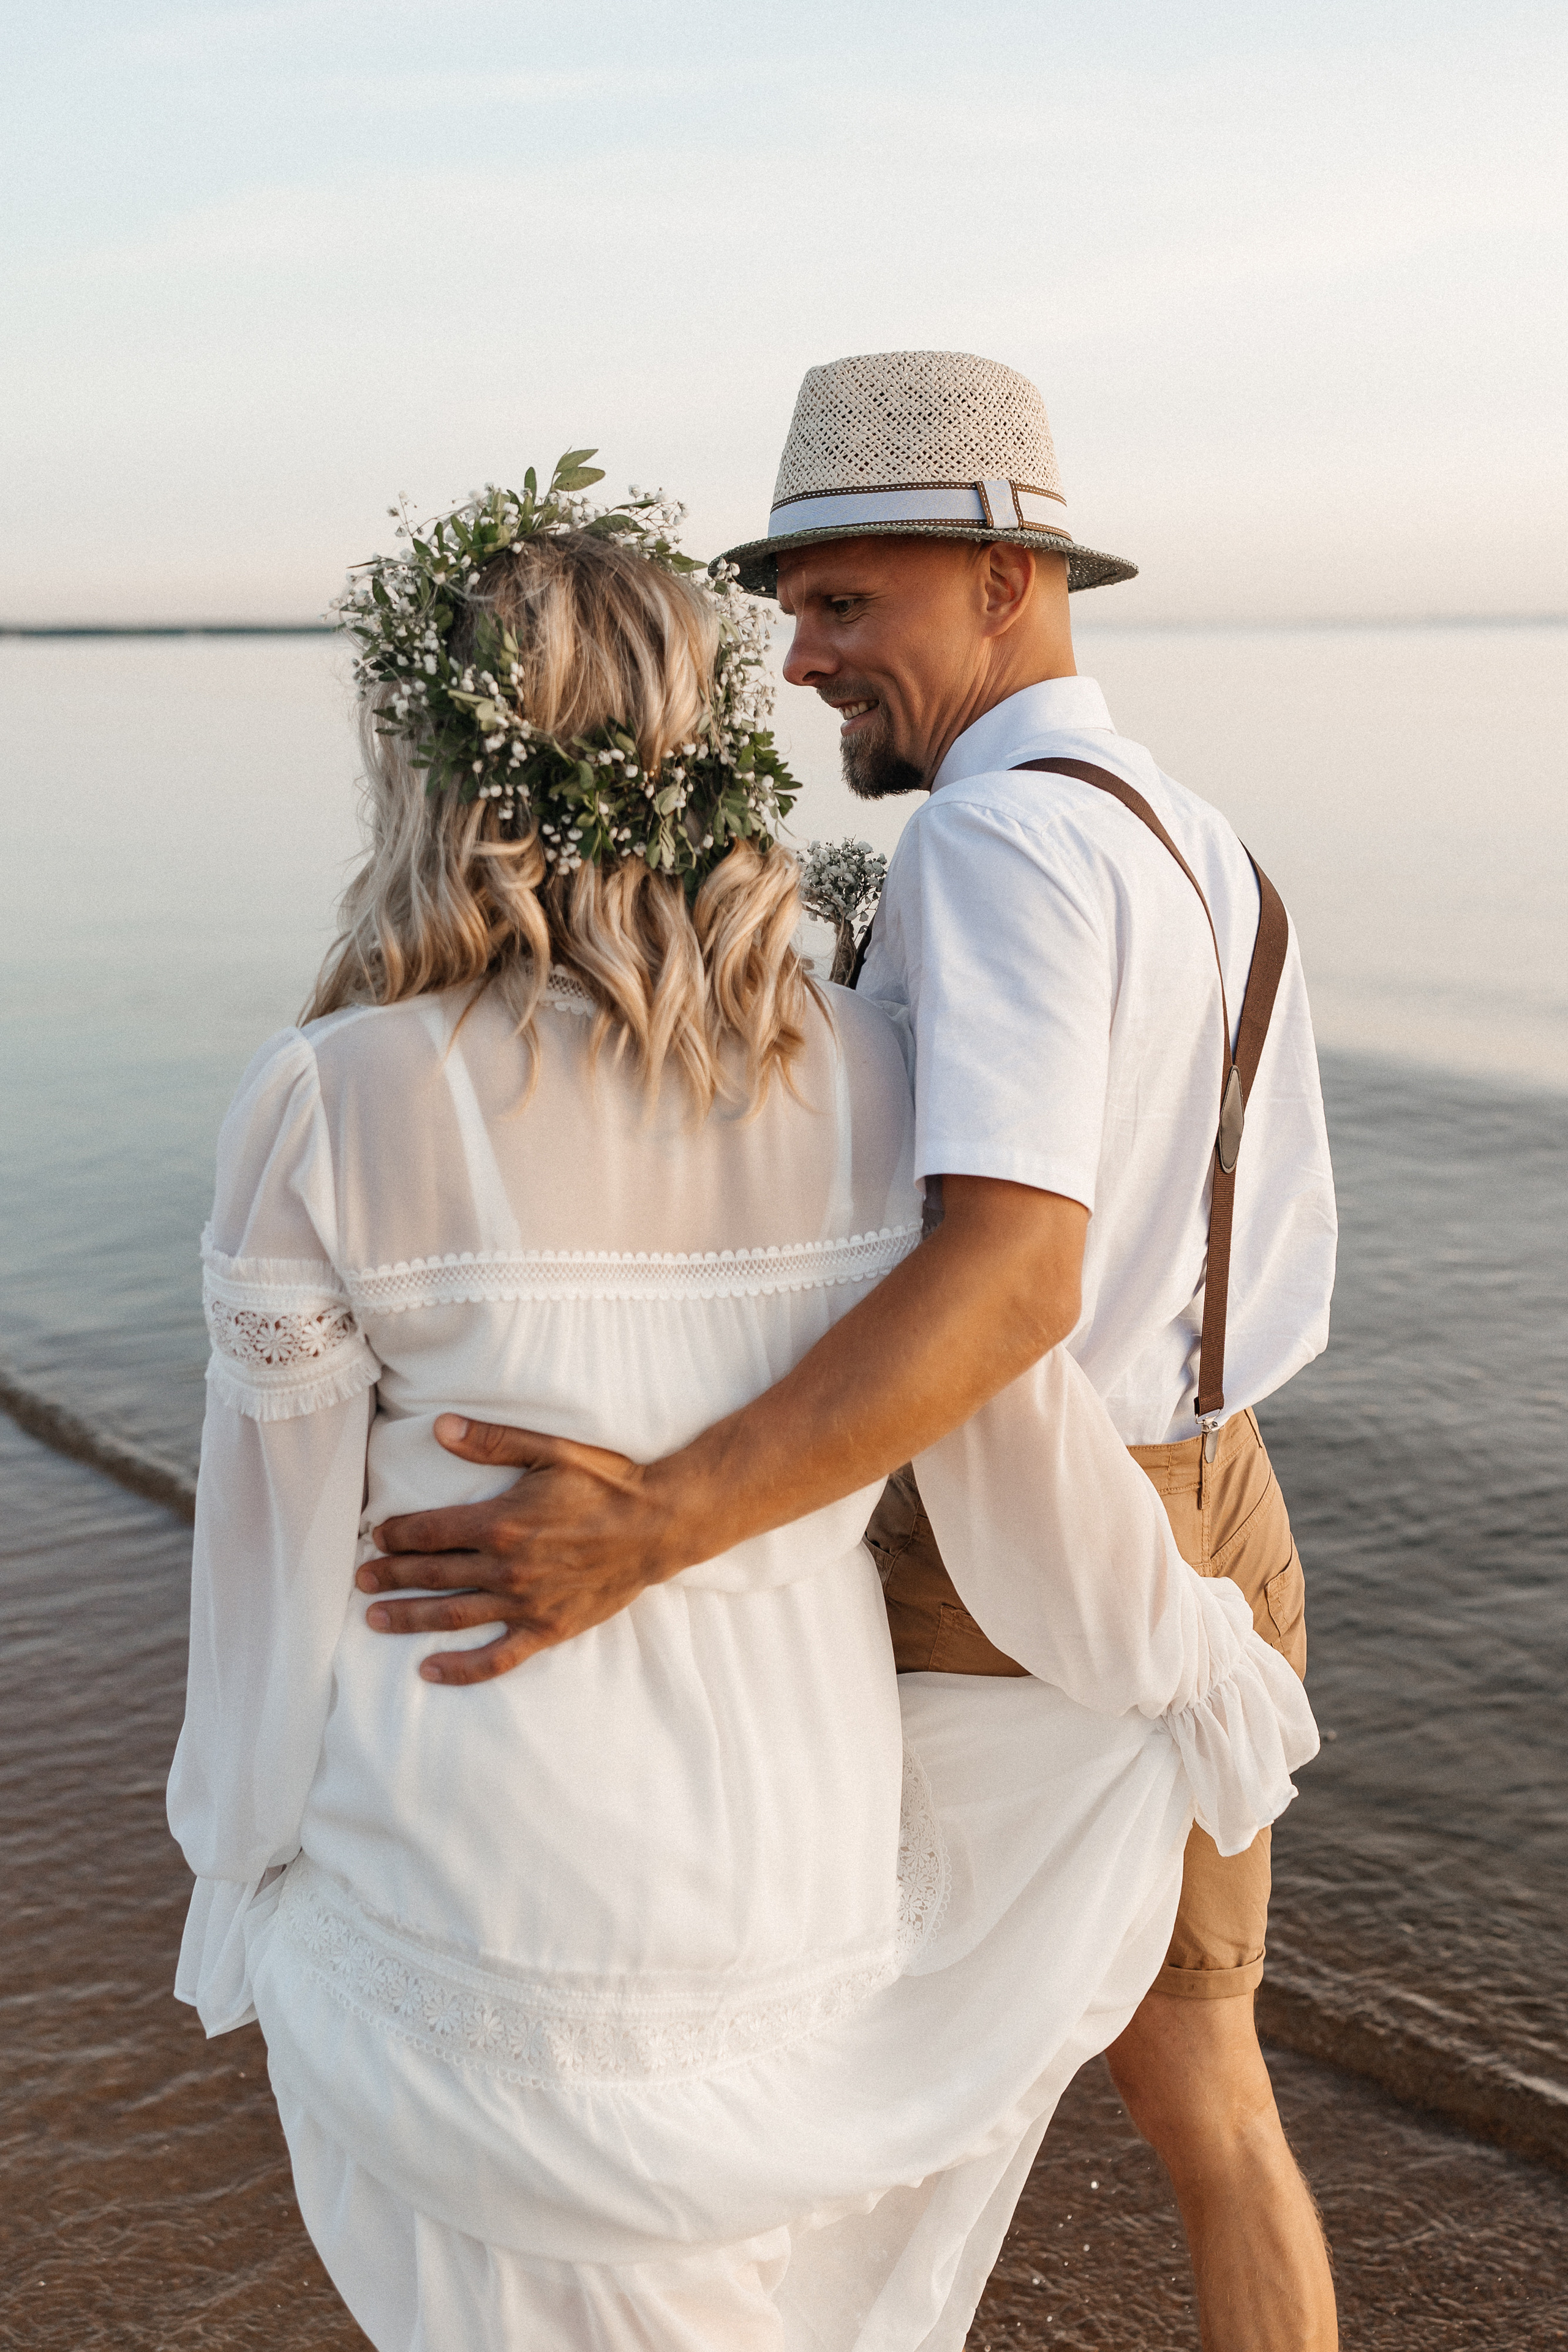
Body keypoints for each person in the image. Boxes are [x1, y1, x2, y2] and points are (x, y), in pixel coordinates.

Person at [168, 458, 1316, 2351]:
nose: (809, 659)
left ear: (435, 767)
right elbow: (1013, 1433)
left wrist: (243, 1846)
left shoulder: (332, 1101)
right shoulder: (875, 1068)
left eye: (845, 607)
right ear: (693, 753)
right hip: (790, 1836)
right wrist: (1184, 1664)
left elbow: (272, 1560)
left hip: (484, 1838)